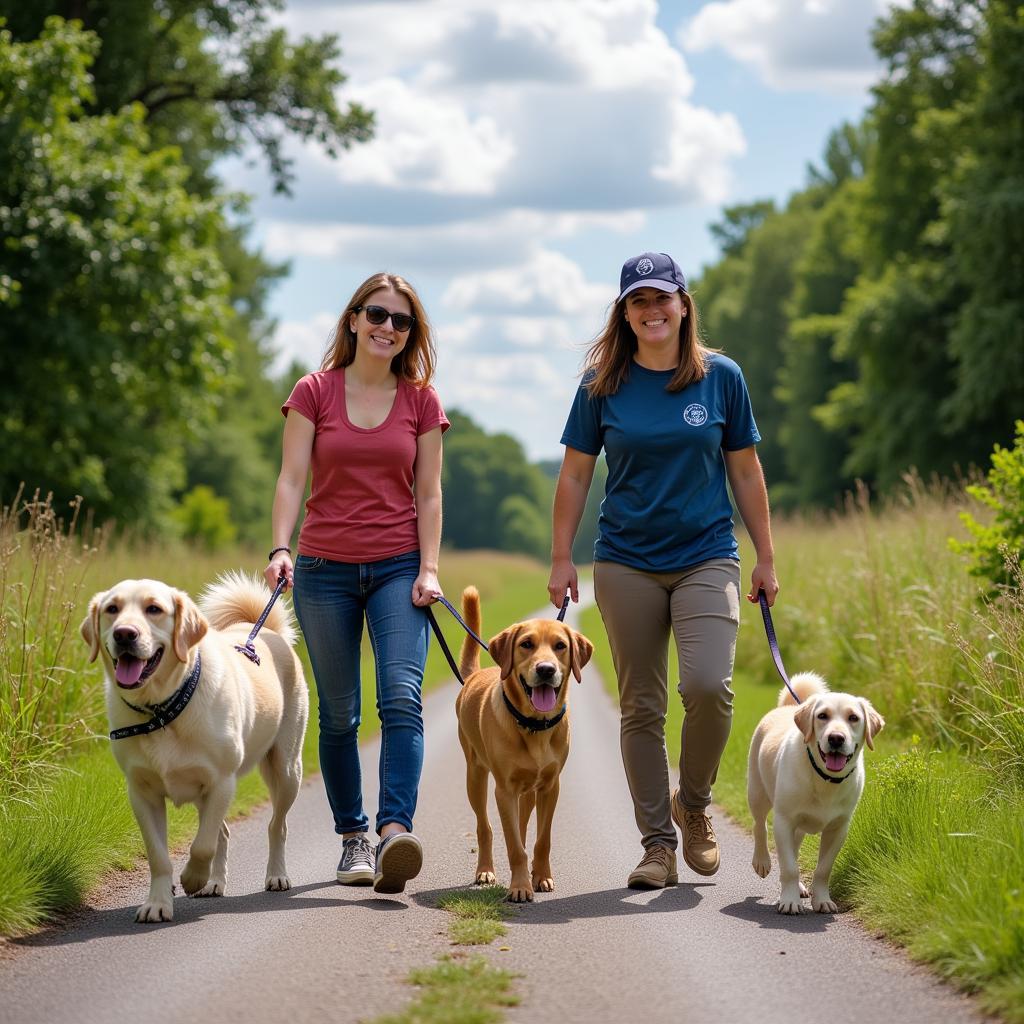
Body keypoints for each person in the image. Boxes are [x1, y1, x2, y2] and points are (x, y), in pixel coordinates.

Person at [547, 252, 778, 890]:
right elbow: (574, 473)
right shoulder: (601, 385)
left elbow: (745, 470)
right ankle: (656, 845)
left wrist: (765, 555)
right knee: (640, 706)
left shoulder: (721, 378)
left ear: (683, 305)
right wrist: (563, 555)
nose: (652, 311)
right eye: (638, 301)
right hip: (625, 560)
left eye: (661, 299)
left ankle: (695, 804)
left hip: (707, 553)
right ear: (624, 312)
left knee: (708, 686)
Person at [265, 272, 449, 895]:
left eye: (401, 321)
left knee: (401, 695)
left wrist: (428, 567)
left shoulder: (421, 401)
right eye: (377, 314)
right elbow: (292, 479)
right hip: (323, 570)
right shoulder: (314, 392)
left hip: (399, 565)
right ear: (353, 319)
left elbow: (428, 492)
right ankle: (354, 840)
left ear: (410, 335)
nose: (387, 327)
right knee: (340, 713)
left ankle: (396, 830)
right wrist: (281, 548)